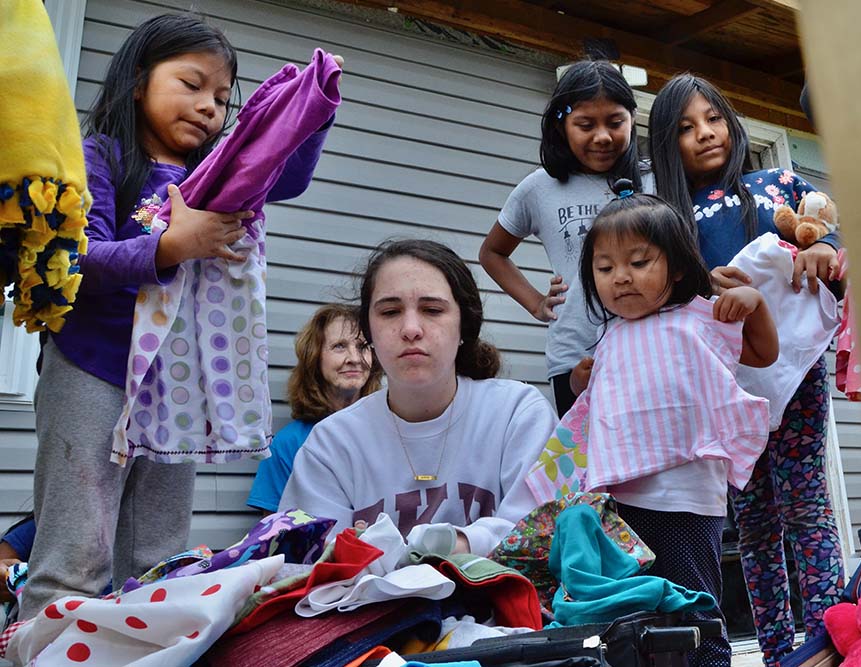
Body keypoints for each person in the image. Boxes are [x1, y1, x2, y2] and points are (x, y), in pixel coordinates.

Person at [21, 14, 338, 619]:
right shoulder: (101, 157)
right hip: (93, 371)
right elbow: (75, 262)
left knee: (157, 556)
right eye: (190, 84)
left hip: (175, 387)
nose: (208, 107)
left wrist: (314, 105)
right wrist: (169, 246)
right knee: (75, 556)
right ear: (138, 81)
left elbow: (287, 173)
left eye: (221, 97)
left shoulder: (214, 173)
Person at [648, 73, 846, 665]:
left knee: (805, 500)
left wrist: (823, 249)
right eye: (685, 128)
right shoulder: (665, 218)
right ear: (664, 142)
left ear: (731, 121)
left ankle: (828, 633)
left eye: (712, 118)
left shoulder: (776, 184)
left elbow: (827, 231)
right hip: (726, 387)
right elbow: (656, 292)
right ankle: (776, 645)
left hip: (796, 367)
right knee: (755, 519)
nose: (704, 134)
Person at [568, 179, 778, 667]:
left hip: (686, 497)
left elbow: (764, 355)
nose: (620, 277)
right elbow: (601, 409)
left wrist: (756, 304)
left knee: (694, 606)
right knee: (634, 612)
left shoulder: (700, 318)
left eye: (638, 262)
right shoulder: (610, 338)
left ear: (679, 266)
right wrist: (583, 382)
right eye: (605, 267)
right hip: (621, 499)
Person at [280, 239, 558, 556]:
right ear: (368, 332)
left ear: (465, 324)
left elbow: (546, 529)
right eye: (390, 311)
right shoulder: (330, 444)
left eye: (432, 310)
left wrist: (440, 548)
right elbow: (309, 556)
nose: (411, 329)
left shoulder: (518, 414)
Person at [479, 59, 650, 417]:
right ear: (561, 125)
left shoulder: (653, 182)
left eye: (616, 122)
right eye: (585, 124)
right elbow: (492, 253)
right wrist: (537, 304)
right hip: (575, 356)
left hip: (651, 346)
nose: (602, 136)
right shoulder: (539, 188)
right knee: (588, 467)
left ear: (632, 120)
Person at [247, 304, 381, 514]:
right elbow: (274, 535)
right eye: (339, 346)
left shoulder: (390, 433)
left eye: (363, 346)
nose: (354, 358)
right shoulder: (288, 443)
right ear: (314, 357)